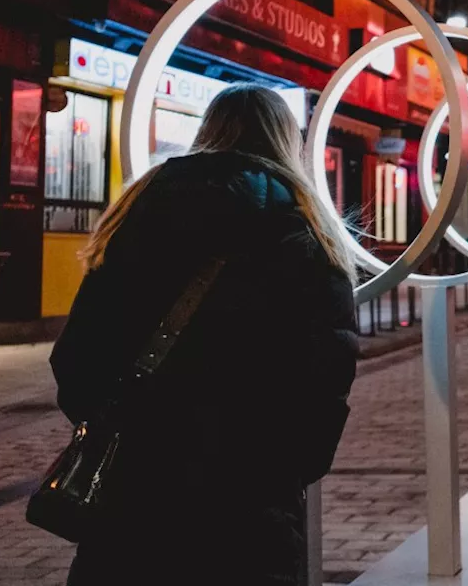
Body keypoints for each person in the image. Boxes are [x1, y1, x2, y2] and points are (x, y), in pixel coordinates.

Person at [49, 84, 358, 586]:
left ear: (207, 129)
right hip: (247, 501)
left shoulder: (137, 214)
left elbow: (77, 356)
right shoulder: (304, 234)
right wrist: (282, 470)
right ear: (288, 142)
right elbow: (326, 372)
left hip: (133, 494)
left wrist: (120, 424)